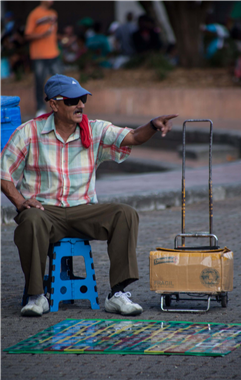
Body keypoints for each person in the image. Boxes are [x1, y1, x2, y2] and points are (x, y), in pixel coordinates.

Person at [0, 73, 178, 317]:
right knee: (31, 220)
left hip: (82, 210)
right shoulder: (29, 132)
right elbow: (3, 172)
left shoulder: (94, 130)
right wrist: (21, 203)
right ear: (54, 104)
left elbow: (134, 137)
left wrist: (152, 125)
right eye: (73, 100)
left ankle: (117, 294)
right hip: (44, 211)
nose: (80, 105)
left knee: (124, 214)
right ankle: (37, 296)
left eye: (83, 98)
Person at [24, 0, 62, 117]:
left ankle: (61, 107)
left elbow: (53, 34)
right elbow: (27, 35)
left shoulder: (53, 13)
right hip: (39, 55)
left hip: (54, 53)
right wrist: (42, 35)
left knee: (60, 81)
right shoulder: (34, 14)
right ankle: (40, 108)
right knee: (40, 82)